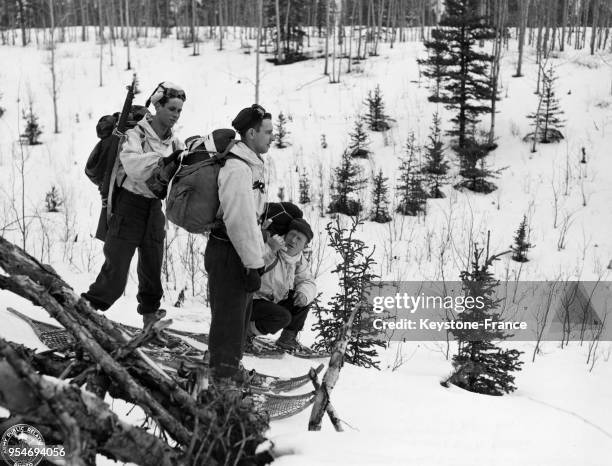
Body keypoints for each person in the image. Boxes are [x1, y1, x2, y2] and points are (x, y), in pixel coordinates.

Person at [82, 82, 186, 331]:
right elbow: (133, 166)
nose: (175, 114)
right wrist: (162, 161)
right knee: (116, 268)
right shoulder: (135, 134)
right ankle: (85, 312)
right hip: (128, 207)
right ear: (157, 105)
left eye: (179, 110)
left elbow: (179, 173)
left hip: (154, 209)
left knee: (153, 266)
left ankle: (150, 319)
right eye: (171, 108)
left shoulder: (175, 143)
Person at [205, 104, 274, 387]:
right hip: (230, 253)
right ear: (250, 133)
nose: (272, 136)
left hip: (237, 252)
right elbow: (239, 220)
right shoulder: (237, 168)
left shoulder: (249, 164)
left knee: (237, 319)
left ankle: (229, 368)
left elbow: (251, 219)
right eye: (267, 131)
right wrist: (252, 264)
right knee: (228, 321)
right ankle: (222, 381)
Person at [248, 218, 316, 351]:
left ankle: (287, 339)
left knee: (303, 300)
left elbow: (307, 281)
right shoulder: (273, 246)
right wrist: (270, 248)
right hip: (251, 301)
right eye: (292, 234)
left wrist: (303, 294)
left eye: (299, 238)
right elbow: (253, 261)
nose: (293, 240)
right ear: (286, 234)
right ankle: (245, 333)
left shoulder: (299, 260)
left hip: (273, 301)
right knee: (282, 317)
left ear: (304, 245)